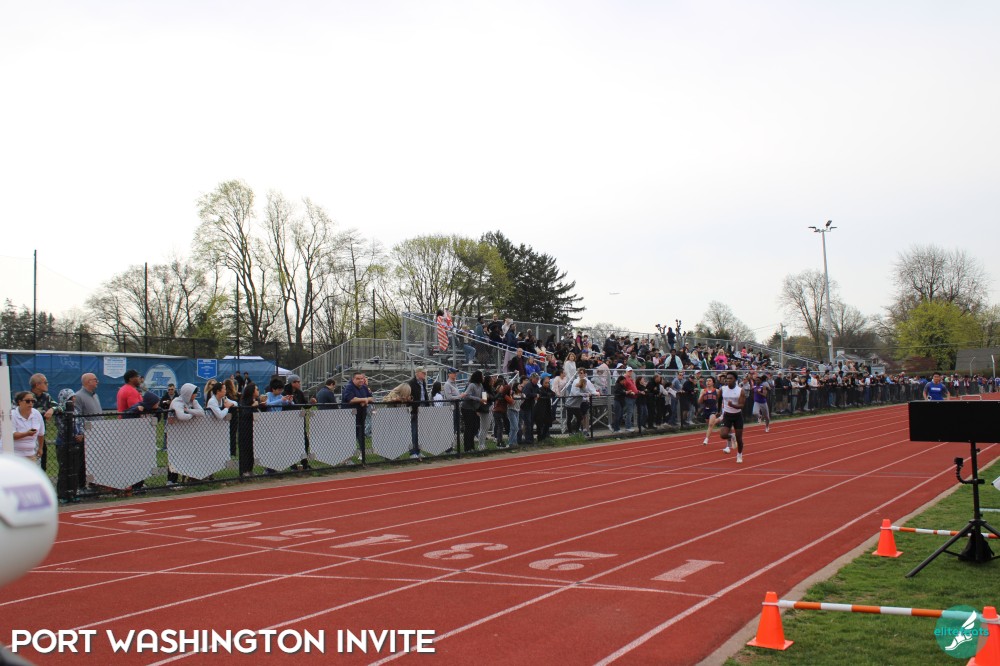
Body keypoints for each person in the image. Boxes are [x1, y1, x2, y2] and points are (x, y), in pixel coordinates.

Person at [167, 383, 205, 484]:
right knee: (174, 456)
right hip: (174, 435)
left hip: (187, 435)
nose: (195, 395)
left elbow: (201, 412)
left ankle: (189, 477)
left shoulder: (193, 402)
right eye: (193, 393)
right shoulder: (177, 402)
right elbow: (181, 416)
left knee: (188, 455)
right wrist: (192, 415)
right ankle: (171, 481)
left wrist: (188, 410)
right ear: (188, 393)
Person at [54, 389, 84, 504]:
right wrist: (72, 435)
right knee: (64, 469)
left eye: (74, 397)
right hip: (64, 443)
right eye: (71, 398)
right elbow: (61, 427)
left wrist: (81, 434)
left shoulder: (76, 411)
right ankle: (63, 494)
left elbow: (81, 423)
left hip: (76, 443)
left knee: (75, 469)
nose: (74, 400)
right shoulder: (60, 411)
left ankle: (74, 493)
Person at [28, 374, 54, 472]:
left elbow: (61, 406)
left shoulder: (46, 397)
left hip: (40, 437)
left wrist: (52, 409)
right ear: (37, 385)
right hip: (27, 437)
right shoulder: (26, 398)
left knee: (42, 467)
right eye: (45, 382)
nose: (47, 384)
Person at [718, 372, 747, 464]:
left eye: (730, 378)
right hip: (727, 415)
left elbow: (742, 405)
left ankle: (739, 454)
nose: (728, 380)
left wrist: (733, 405)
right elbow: (719, 399)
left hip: (737, 416)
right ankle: (731, 436)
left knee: (739, 439)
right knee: (723, 435)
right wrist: (718, 410)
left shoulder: (740, 390)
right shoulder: (723, 389)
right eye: (727, 378)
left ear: (735, 380)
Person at [342, 372, 374, 452]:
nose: (361, 380)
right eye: (358, 379)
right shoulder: (349, 387)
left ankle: (362, 453)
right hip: (350, 416)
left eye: (362, 378)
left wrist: (365, 400)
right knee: (349, 435)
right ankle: (347, 453)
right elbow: (351, 399)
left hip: (361, 415)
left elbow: (372, 398)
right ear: (353, 379)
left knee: (361, 434)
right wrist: (364, 399)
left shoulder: (364, 387)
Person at [459, 370, 487, 452]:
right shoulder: (471, 385)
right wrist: (479, 399)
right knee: (469, 427)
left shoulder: (480, 385)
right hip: (467, 408)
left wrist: (485, 398)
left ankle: (472, 447)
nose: (483, 377)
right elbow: (467, 396)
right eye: (482, 376)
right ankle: (467, 448)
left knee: (474, 427)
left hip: (474, 408)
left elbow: (483, 393)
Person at [12, 391, 45, 462]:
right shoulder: (12, 415)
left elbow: (41, 434)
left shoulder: (36, 413)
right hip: (14, 454)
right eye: (27, 401)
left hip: (30, 454)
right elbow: (11, 436)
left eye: (33, 401)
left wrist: (40, 448)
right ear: (19, 402)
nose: (30, 403)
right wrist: (26, 434)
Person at [238, 381, 261, 477]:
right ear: (252, 391)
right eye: (256, 389)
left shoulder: (256, 400)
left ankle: (250, 469)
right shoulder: (244, 401)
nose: (258, 391)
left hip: (254, 429)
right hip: (245, 428)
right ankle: (244, 471)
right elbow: (244, 413)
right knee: (245, 450)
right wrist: (252, 406)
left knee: (252, 450)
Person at [566, 368, 598, 434]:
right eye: (579, 373)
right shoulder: (576, 382)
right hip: (570, 404)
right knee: (570, 418)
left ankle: (578, 431)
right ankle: (570, 432)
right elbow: (576, 393)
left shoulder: (585, 385)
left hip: (577, 405)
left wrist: (595, 393)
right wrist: (586, 394)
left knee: (581, 417)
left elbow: (589, 391)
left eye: (581, 373)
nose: (580, 374)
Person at [407, 368, 429, 459]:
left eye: (425, 373)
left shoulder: (423, 383)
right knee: (414, 432)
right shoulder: (411, 383)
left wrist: (427, 406)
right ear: (417, 373)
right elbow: (409, 397)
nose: (425, 374)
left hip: (422, 410)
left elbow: (425, 395)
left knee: (420, 433)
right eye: (423, 373)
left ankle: (418, 451)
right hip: (415, 411)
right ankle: (413, 452)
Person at [699, 377, 720, 445]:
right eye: (707, 381)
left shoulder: (717, 391)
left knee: (711, 424)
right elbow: (699, 402)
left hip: (713, 409)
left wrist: (719, 408)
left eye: (709, 381)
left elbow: (719, 400)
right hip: (706, 409)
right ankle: (719, 419)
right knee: (709, 423)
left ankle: (706, 439)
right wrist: (702, 395)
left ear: (713, 382)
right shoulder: (703, 390)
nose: (708, 382)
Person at [520, 373, 540, 444]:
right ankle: (528, 439)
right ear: (532, 378)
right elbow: (526, 394)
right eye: (536, 378)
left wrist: (537, 395)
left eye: (538, 379)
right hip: (525, 407)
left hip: (531, 406)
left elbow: (539, 392)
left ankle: (530, 438)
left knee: (531, 423)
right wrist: (535, 395)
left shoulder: (536, 386)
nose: (537, 380)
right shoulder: (528, 385)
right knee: (528, 423)